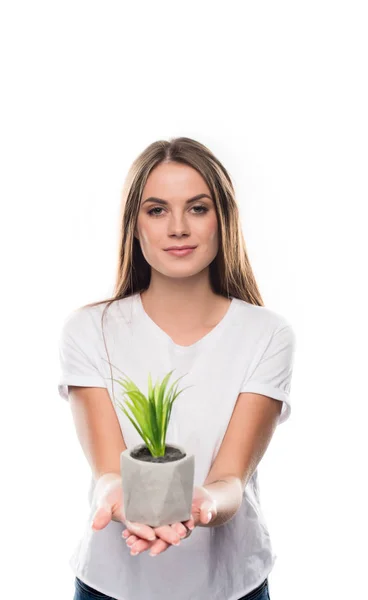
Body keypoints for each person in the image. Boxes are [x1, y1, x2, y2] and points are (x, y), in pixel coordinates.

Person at [58, 137, 296, 600]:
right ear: (135, 226)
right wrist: (122, 501)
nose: (179, 228)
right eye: (157, 210)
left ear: (222, 220)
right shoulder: (89, 330)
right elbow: (109, 471)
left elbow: (231, 478)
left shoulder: (267, 333)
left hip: (232, 588)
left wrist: (202, 505)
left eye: (198, 208)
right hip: (111, 586)